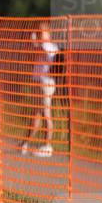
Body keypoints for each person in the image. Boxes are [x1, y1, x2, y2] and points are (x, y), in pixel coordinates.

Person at [20, 22, 59, 158]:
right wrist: (31, 43)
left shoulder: (51, 47)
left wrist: (34, 42)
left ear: (48, 34)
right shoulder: (41, 45)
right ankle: (25, 142)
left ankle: (47, 145)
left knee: (45, 113)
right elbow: (29, 55)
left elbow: (39, 51)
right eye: (39, 32)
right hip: (37, 83)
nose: (40, 34)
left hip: (46, 84)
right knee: (36, 114)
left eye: (43, 32)